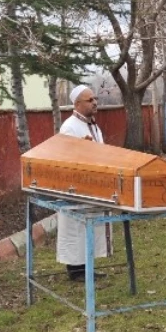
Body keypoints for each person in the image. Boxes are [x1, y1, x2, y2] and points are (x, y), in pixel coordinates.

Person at [56, 86, 113, 282]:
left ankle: (87, 266)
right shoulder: (69, 127)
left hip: (94, 186)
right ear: (77, 104)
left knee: (91, 226)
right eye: (90, 100)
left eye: (95, 99)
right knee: (75, 228)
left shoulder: (94, 126)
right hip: (75, 187)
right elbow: (65, 157)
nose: (95, 102)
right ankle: (75, 269)